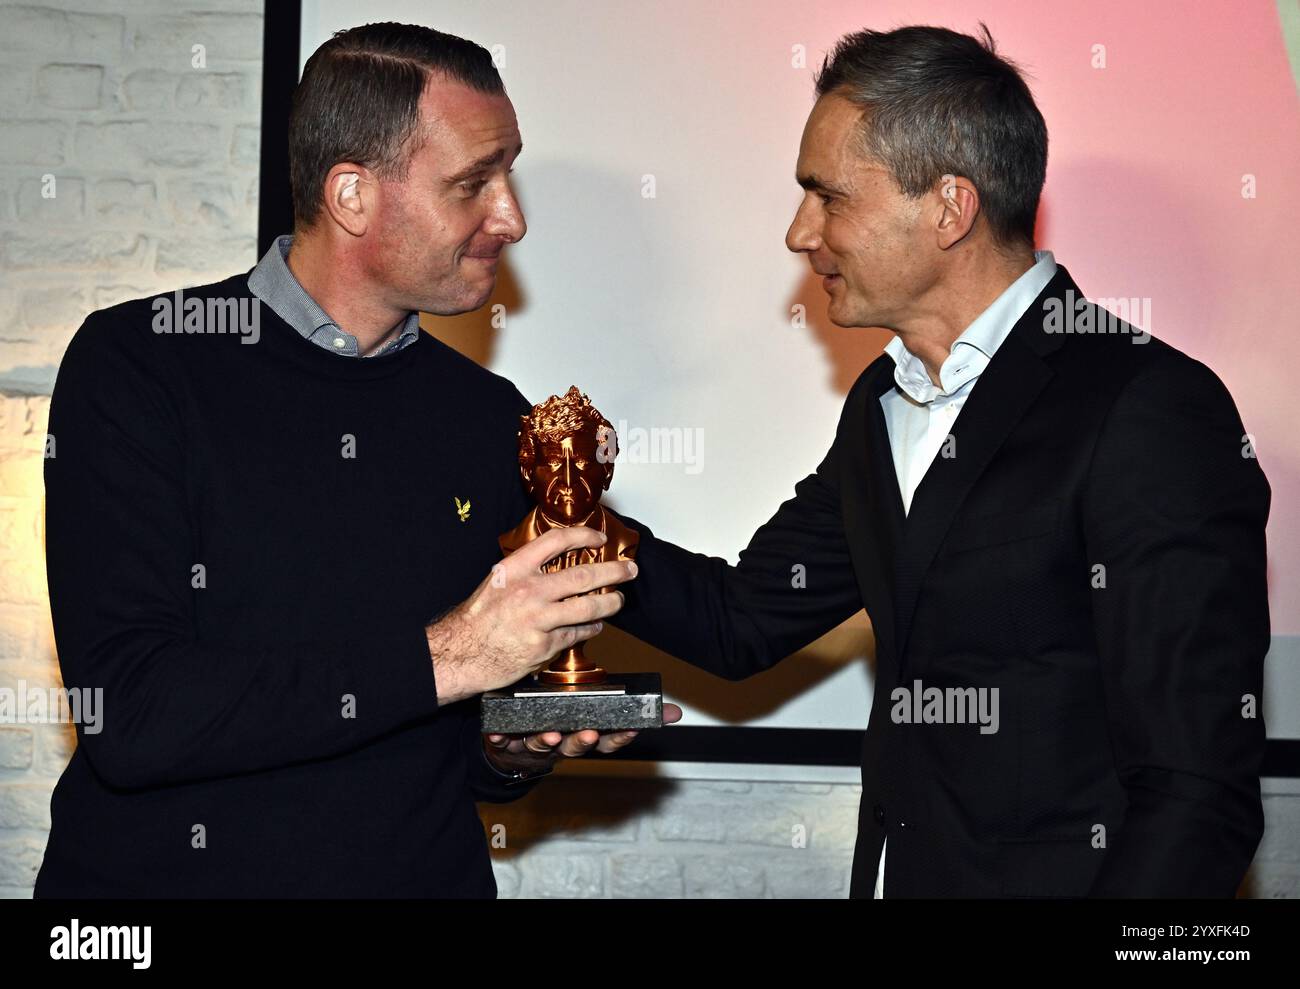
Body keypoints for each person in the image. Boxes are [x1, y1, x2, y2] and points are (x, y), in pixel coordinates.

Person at [613, 24, 1270, 898]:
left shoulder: (1146, 407)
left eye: (827, 196)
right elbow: (740, 621)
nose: (798, 232)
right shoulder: (882, 404)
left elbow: (1197, 792)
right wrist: (565, 520)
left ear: (949, 208)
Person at [36, 22, 678, 898]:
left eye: (510, 173)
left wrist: (508, 748)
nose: (512, 218)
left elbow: (436, 747)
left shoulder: (487, 414)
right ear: (351, 197)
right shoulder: (139, 365)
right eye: (473, 183)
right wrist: (450, 655)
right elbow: (136, 715)